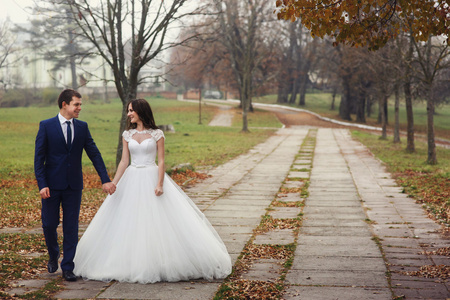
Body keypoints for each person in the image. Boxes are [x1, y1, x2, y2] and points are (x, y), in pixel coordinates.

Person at [73, 99, 232, 283]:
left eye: (132, 110)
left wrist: (160, 183)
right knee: (130, 220)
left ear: (141, 111)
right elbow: (124, 161)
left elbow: (162, 161)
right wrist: (114, 183)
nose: (129, 114)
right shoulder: (127, 134)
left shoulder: (157, 134)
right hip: (132, 177)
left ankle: (161, 261)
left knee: (157, 220)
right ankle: (129, 261)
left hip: (151, 176)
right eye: (128, 111)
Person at [34, 89, 116, 282]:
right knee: (49, 224)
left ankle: (68, 266)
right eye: (76, 104)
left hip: (73, 186)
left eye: (80, 104)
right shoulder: (46, 126)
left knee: (71, 227)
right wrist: (42, 184)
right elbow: (39, 159)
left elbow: (94, 154)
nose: (80, 108)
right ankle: (53, 255)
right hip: (51, 187)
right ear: (64, 104)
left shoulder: (82, 127)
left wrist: (105, 179)